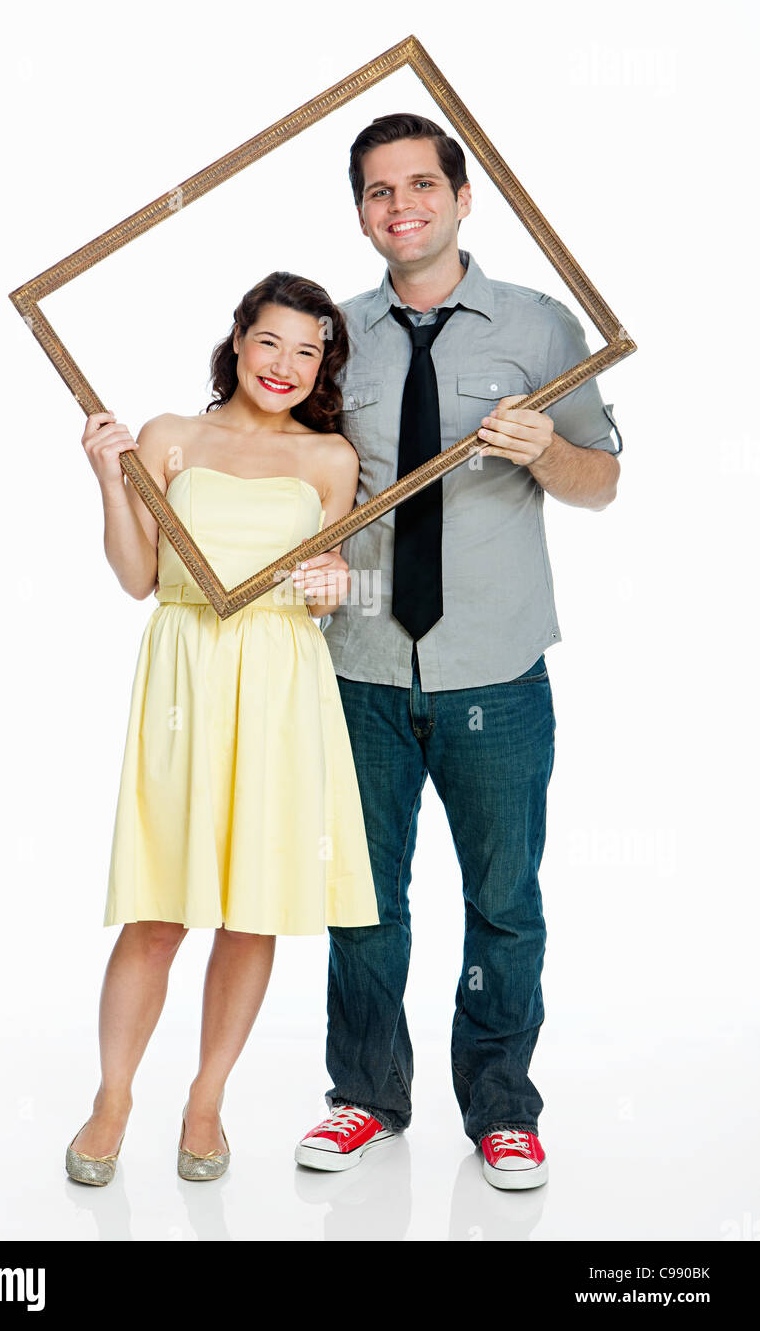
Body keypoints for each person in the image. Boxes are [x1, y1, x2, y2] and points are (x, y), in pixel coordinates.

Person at [294, 114, 624, 1189]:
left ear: (461, 195)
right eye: (380, 192)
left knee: (501, 899)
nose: (403, 206)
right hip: (361, 667)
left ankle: (499, 1108)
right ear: (360, 213)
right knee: (362, 897)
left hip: (495, 667)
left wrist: (548, 451)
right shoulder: (333, 337)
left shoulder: (538, 326)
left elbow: (602, 480)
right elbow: (307, 490)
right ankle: (364, 1097)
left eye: (422, 185)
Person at [65, 271, 380, 1186]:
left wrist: (335, 586)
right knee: (158, 908)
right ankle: (113, 1097)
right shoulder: (168, 437)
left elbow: (326, 585)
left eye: (307, 351)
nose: (284, 365)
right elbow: (137, 579)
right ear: (239, 339)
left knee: (254, 912)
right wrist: (107, 478)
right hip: (185, 672)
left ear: (324, 366)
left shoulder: (329, 461)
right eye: (270, 341)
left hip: (281, 681)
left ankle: (207, 1099)